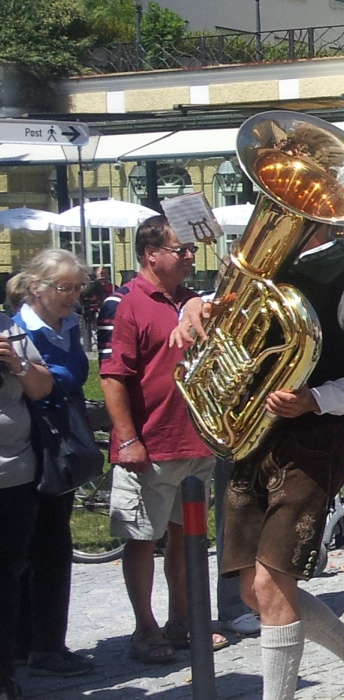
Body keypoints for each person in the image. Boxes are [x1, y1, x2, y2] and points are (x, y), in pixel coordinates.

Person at [210, 208, 344, 700]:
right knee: (253, 589)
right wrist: (198, 315)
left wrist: (315, 398)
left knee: (273, 587)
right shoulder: (256, 272)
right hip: (251, 439)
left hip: (311, 446)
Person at [101, 217, 226, 665]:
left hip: (194, 442)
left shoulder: (193, 301)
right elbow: (113, 377)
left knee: (184, 537)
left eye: (191, 250)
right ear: (150, 254)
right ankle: (145, 628)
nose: (191, 257)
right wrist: (129, 439)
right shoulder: (124, 303)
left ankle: (182, 620)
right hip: (149, 445)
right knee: (141, 538)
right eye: (181, 250)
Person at [7, 250, 96, 680]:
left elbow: (73, 372)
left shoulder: (69, 323)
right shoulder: (22, 328)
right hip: (36, 443)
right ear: (36, 287)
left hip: (62, 439)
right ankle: (38, 644)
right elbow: (42, 383)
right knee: (41, 546)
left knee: (50, 542)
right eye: (64, 288)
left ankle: (36, 642)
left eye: (78, 287)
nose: (73, 296)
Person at [0, 308, 52, 700]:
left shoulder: (10, 327)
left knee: (7, 576)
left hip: (13, 475)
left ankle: (4, 676)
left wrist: (17, 363)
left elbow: (41, 387)